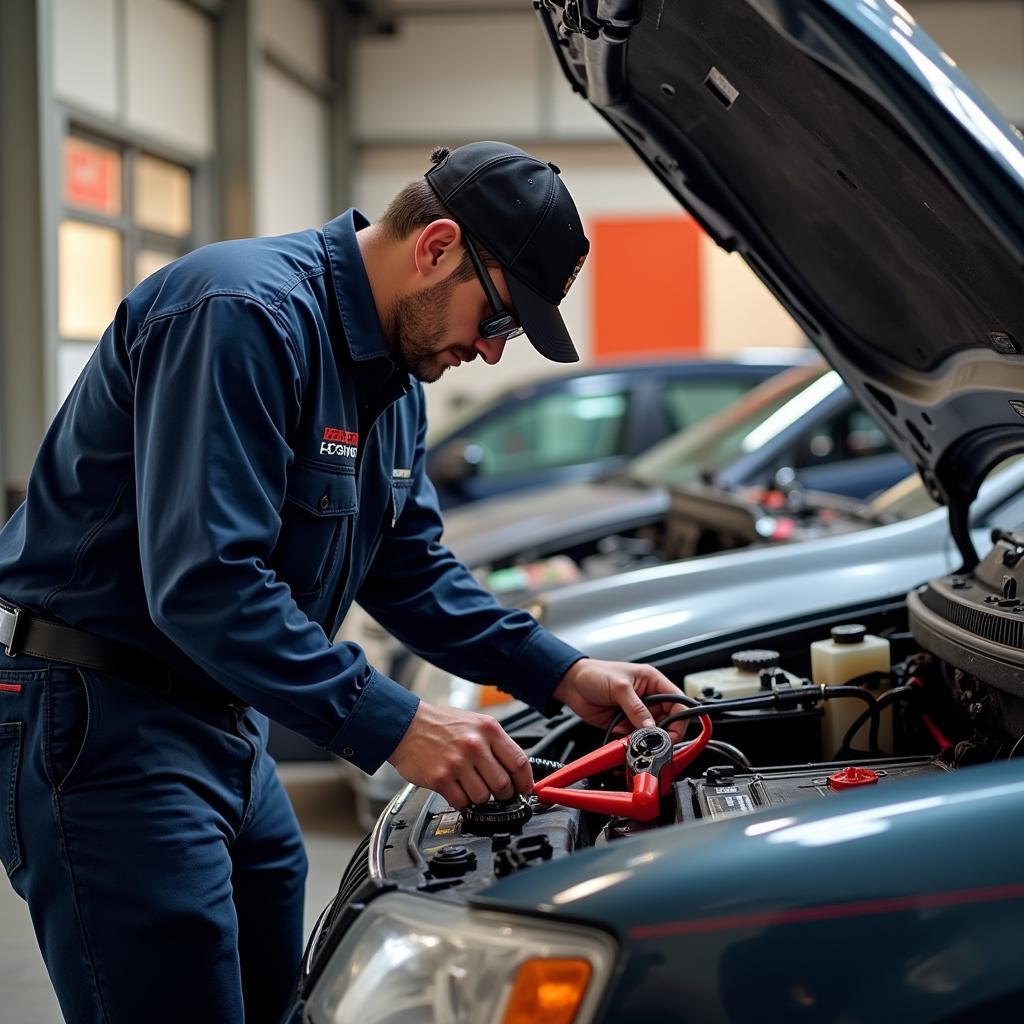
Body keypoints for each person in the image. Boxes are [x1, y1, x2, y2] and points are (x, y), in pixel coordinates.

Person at [0, 141, 684, 1024]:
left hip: (221, 722)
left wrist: (561, 672)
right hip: (102, 723)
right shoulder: (242, 315)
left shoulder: (395, 382)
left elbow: (412, 572)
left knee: (284, 983)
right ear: (436, 245)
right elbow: (205, 582)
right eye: (500, 320)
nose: (488, 351)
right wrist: (397, 724)